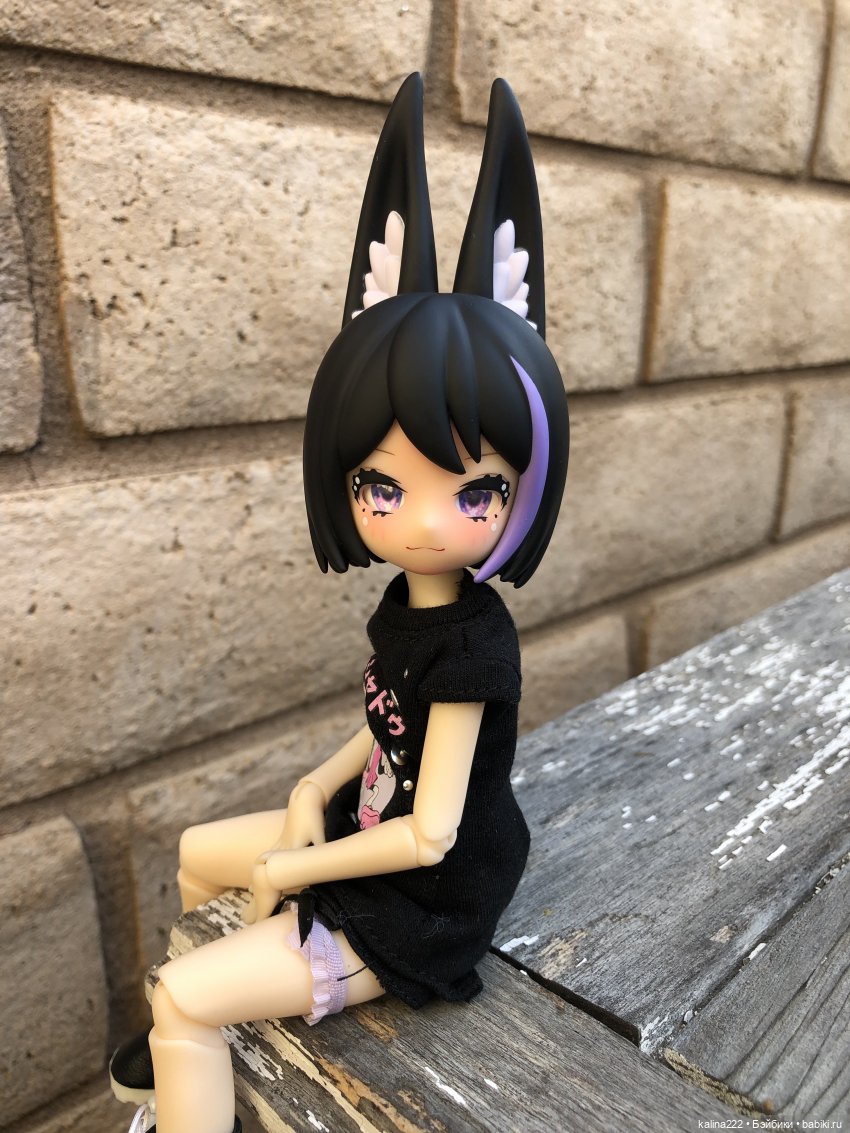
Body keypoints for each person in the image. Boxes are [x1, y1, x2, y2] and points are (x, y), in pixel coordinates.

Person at [111, 72, 569, 1133]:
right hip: (363, 824)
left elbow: (431, 832)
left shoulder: (473, 646)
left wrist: (300, 862)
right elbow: (389, 718)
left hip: (419, 904)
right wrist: (317, 781)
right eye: (382, 486)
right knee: (197, 850)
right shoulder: (408, 606)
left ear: (521, 490)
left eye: (475, 493)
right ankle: (231, 1013)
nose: (426, 523)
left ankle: (198, 1057)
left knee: (180, 997)